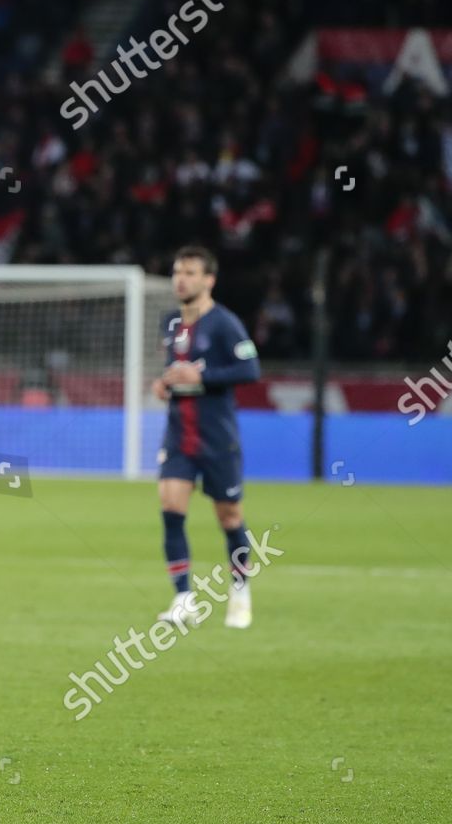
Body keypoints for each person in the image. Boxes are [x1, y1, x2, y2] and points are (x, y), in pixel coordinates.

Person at [150, 246, 261, 629]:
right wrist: (164, 384)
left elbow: (250, 369)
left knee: (229, 517)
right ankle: (183, 598)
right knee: (170, 508)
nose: (182, 278)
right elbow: (175, 370)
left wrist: (204, 377)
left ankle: (241, 588)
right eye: (178, 271)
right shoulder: (169, 323)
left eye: (191, 272)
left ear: (209, 280)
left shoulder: (224, 323)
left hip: (217, 436)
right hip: (179, 433)